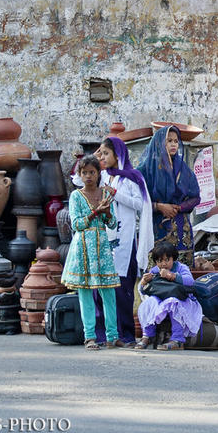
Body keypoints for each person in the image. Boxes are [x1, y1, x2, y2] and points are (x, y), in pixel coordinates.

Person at [91, 136, 154, 346]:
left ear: (118, 155)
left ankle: (125, 334)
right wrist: (94, 157)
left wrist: (115, 194)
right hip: (104, 239)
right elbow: (77, 177)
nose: (103, 157)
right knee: (101, 287)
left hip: (125, 240)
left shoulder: (131, 178)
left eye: (106, 153)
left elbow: (139, 204)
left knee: (122, 289)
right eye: (101, 153)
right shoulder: (102, 176)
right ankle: (103, 335)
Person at [60, 156, 121, 350]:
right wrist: (95, 212)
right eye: (84, 172)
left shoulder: (105, 194)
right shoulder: (76, 196)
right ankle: (90, 337)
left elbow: (112, 224)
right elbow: (77, 224)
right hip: (83, 247)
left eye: (92, 172)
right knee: (85, 293)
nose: (88, 176)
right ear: (79, 175)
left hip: (102, 246)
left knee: (108, 292)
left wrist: (107, 213)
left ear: (98, 174)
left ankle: (113, 336)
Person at [137, 125, 200, 267]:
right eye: (169, 141)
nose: (173, 144)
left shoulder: (183, 169)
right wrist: (159, 206)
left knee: (182, 274)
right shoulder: (146, 170)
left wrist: (179, 207)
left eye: (176, 141)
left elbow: (196, 197)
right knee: (157, 275)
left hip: (181, 230)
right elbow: (137, 200)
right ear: (159, 143)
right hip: (156, 229)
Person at [135, 241, 202, 351]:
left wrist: (172, 276)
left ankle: (177, 340)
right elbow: (144, 291)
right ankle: (147, 336)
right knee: (150, 301)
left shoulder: (181, 267)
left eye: (167, 260)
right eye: (159, 261)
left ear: (173, 259)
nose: (163, 264)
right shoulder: (155, 270)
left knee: (172, 301)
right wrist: (143, 282)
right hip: (161, 302)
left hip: (183, 301)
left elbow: (190, 282)